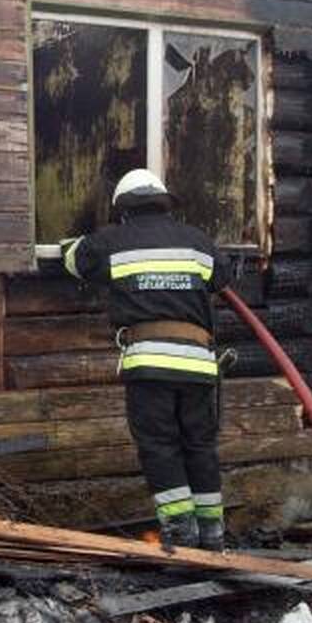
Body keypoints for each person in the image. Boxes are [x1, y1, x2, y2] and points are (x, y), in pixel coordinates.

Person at [60, 168, 231, 551]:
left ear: (123, 208)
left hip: (151, 363)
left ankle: (180, 533)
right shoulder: (197, 241)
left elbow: (74, 258)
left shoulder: (112, 241)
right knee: (199, 445)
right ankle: (212, 534)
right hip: (199, 364)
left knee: (159, 445)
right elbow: (223, 276)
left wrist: (75, 237)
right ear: (164, 204)